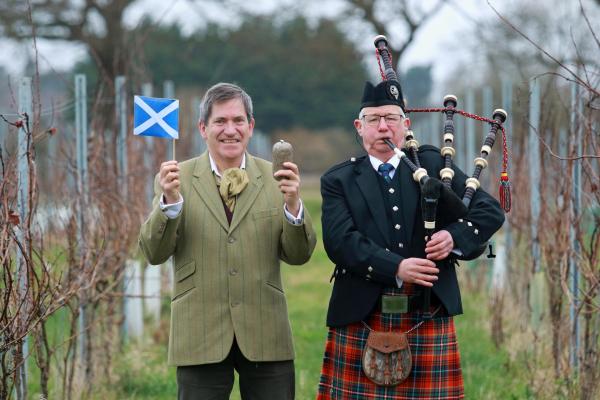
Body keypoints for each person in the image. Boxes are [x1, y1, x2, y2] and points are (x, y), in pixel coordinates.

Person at [316, 79, 505, 399]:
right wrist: (397, 267)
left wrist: (453, 236)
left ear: (405, 125)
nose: (383, 128)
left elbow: (488, 212)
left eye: (390, 118)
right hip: (362, 313)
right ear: (359, 128)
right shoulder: (339, 180)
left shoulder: (432, 165)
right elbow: (340, 241)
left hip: (427, 310)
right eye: (373, 120)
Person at [139, 82, 316, 400]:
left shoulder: (276, 179)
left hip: (266, 331)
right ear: (203, 128)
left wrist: (293, 206)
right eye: (220, 121)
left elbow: (299, 255)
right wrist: (170, 204)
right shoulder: (175, 178)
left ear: (251, 126)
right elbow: (154, 252)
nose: (229, 130)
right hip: (200, 333)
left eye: (237, 121)